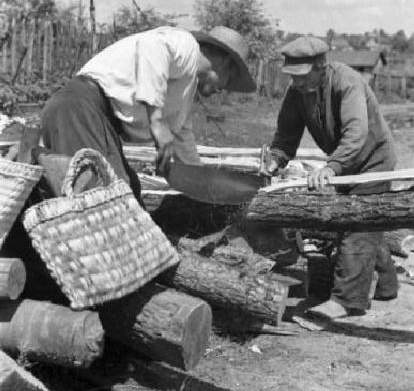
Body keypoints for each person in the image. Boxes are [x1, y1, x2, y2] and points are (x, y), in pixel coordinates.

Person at [41, 25, 255, 202]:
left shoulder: (186, 87)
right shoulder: (186, 46)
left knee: (129, 189)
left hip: (96, 118)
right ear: (225, 63)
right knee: (105, 196)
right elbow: (153, 47)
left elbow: (182, 136)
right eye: (229, 80)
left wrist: (200, 181)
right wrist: (157, 120)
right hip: (79, 108)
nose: (224, 88)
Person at [268, 36, 398, 319]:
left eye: (302, 76)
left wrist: (332, 166)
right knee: (365, 225)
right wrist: (276, 158)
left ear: (320, 65)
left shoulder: (347, 82)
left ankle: (347, 301)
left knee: (358, 224)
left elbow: (356, 132)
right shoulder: (297, 93)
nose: (297, 83)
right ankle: (387, 285)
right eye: (292, 76)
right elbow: (287, 133)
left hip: (374, 160)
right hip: (346, 163)